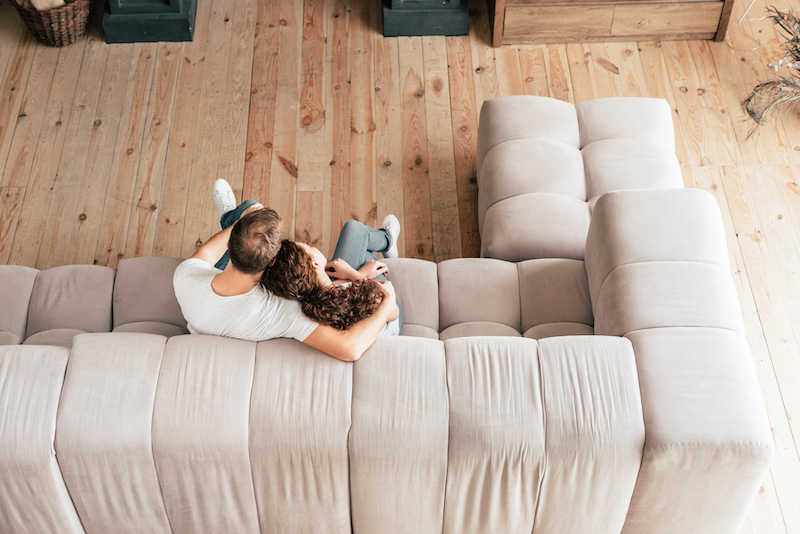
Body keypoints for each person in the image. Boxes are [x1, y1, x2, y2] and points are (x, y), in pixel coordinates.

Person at [172, 179, 400, 362]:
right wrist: (374, 289)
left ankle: (230, 217)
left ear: (229, 245)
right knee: (356, 235)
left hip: (215, 304)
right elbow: (349, 347)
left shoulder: (185, 276)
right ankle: (387, 240)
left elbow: (204, 255)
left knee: (250, 207)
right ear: (272, 262)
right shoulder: (279, 310)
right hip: (375, 310)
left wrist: (239, 223)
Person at [262, 217, 403, 336]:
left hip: (359, 298)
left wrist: (359, 274)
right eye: (308, 246)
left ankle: (384, 243)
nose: (312, 247)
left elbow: (334, 289)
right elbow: (391, 308)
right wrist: (356, 276)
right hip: (391, 319)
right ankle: (386, 240)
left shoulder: (308, 295)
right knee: (361, 244)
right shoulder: (352, 301)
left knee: (365, 255)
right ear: (315, 264)